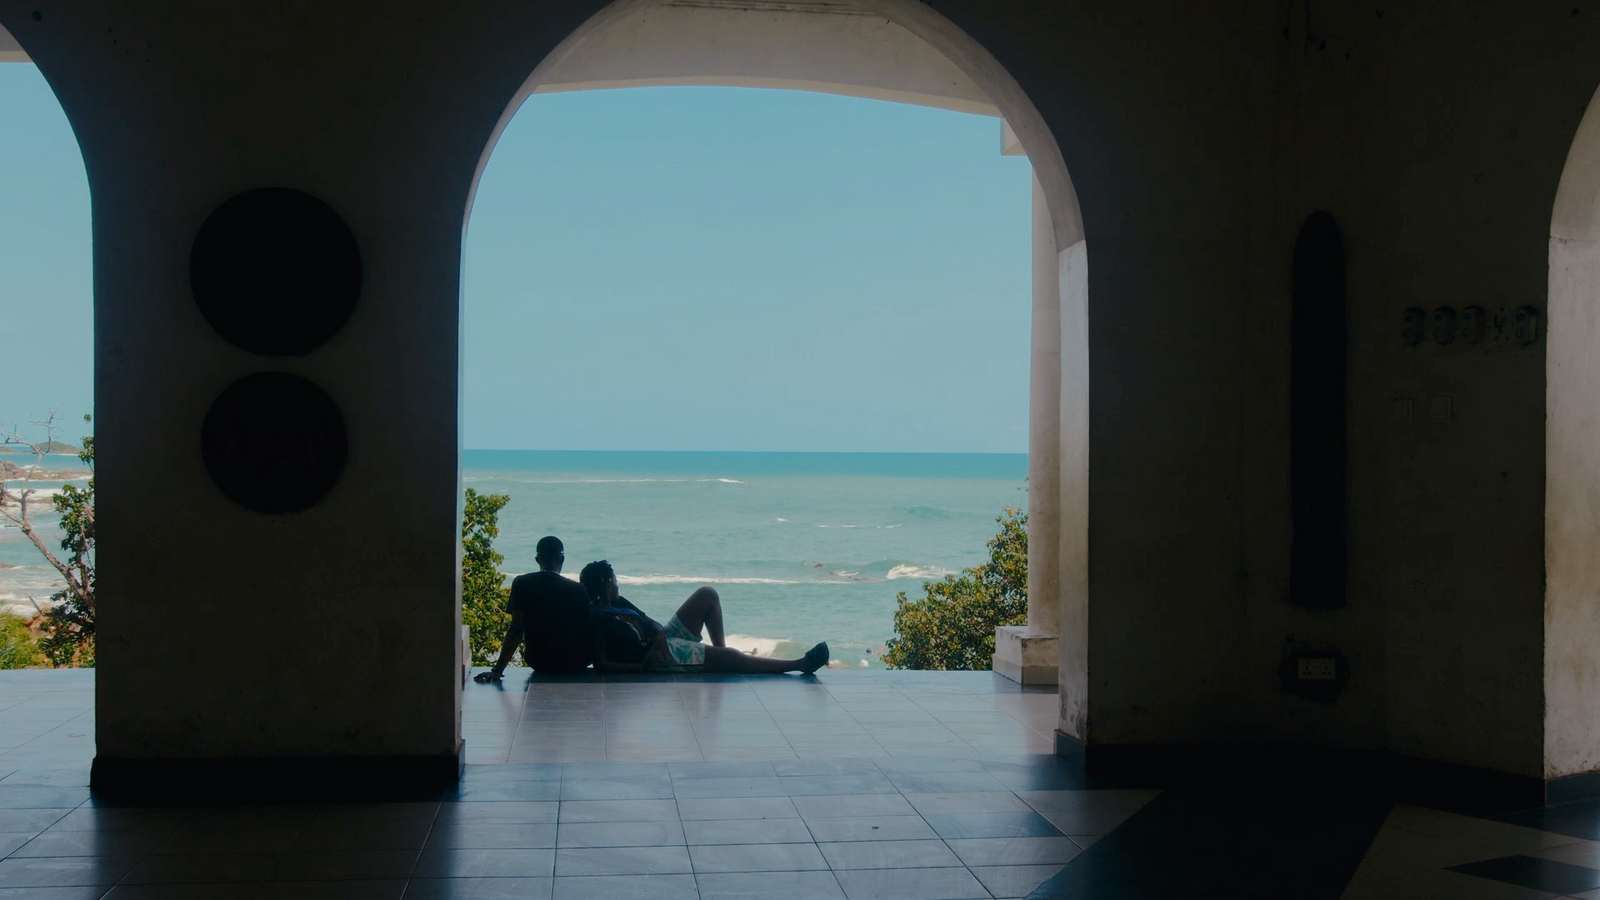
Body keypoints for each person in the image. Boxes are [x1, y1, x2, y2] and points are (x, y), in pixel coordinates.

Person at [579, 559, 829, 674]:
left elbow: (648, 620)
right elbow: (601, 665)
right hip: (661, 656)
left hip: (665, 638)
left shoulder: (618, 603)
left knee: (707, 595)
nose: (618, 586)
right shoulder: (598, 618)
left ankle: (723, 659)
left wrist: (659, 630)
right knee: (732, 658)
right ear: (605, 583)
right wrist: (642, 667)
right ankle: (798, 665)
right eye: (614, 581)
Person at [474, 535, 592, 682]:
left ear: (537, 559)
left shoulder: (522, 584)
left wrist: (497, 670)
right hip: (574, 663)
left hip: (540, 662)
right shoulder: (578, 590)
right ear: (562, 559)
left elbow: (516, 629)